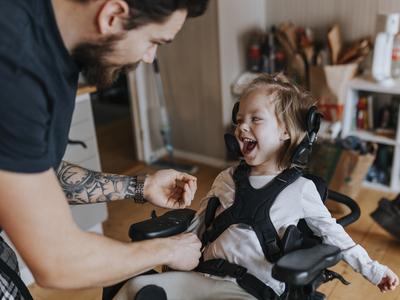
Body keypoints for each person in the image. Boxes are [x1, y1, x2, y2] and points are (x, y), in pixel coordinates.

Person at [115, 74, 399, 300]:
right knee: (135, 289)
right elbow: (199, 225)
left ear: (285, 131)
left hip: (250, 290)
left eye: (255, 119)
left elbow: (336, 238)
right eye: (239, 121)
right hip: (202, 277)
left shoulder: (300, 191)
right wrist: (169, 249)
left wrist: (375, 271)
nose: (241, 127)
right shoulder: (226, 178)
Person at [0, 0, 209, 298]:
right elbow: (57, 261)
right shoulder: (15, 64)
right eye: (153, 42)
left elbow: (35, 173)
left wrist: (141, 186)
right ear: (113, 15)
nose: (150, 58)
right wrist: (168, 250)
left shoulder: (56, 47)